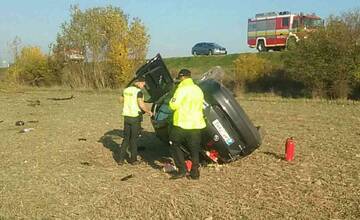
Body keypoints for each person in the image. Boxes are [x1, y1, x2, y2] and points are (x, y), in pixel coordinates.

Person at [168, 69, 206, 180]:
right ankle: (195, 173)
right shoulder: (198, 89)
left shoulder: (181, 89)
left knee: (174, 144)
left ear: (182, 77)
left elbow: (173, 105)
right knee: (194, 149)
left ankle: (182, 170)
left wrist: (171, 100)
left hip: (182, 123)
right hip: (197, 124)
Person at [119, 77, 152, 165]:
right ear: (138, 82)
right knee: (133, 139)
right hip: (135, 117)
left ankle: (120, 160)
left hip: (126, 116)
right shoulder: (138, 92)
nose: (143, 85)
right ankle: (133, 160)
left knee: (126, 138)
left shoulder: (126, 90)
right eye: (142, 84)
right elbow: (141, 104)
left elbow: (120, 100)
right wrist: (148, 111)